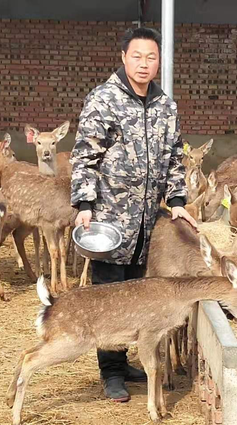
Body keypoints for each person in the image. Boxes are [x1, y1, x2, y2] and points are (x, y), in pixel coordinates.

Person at [69, 27, 198, 402]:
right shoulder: (103, 100)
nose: (144, 64)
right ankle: (110, 372)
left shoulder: (165, 106)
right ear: (124, 57)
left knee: (140, 295)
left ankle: (125, 362)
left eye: (151, 57)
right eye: (137, 56)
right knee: (109, 297)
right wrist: (84, 205)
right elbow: (84, 156)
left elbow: (175, 157)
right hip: (108, 220)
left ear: (159, 62)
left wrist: (176, 201)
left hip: (147, 222)